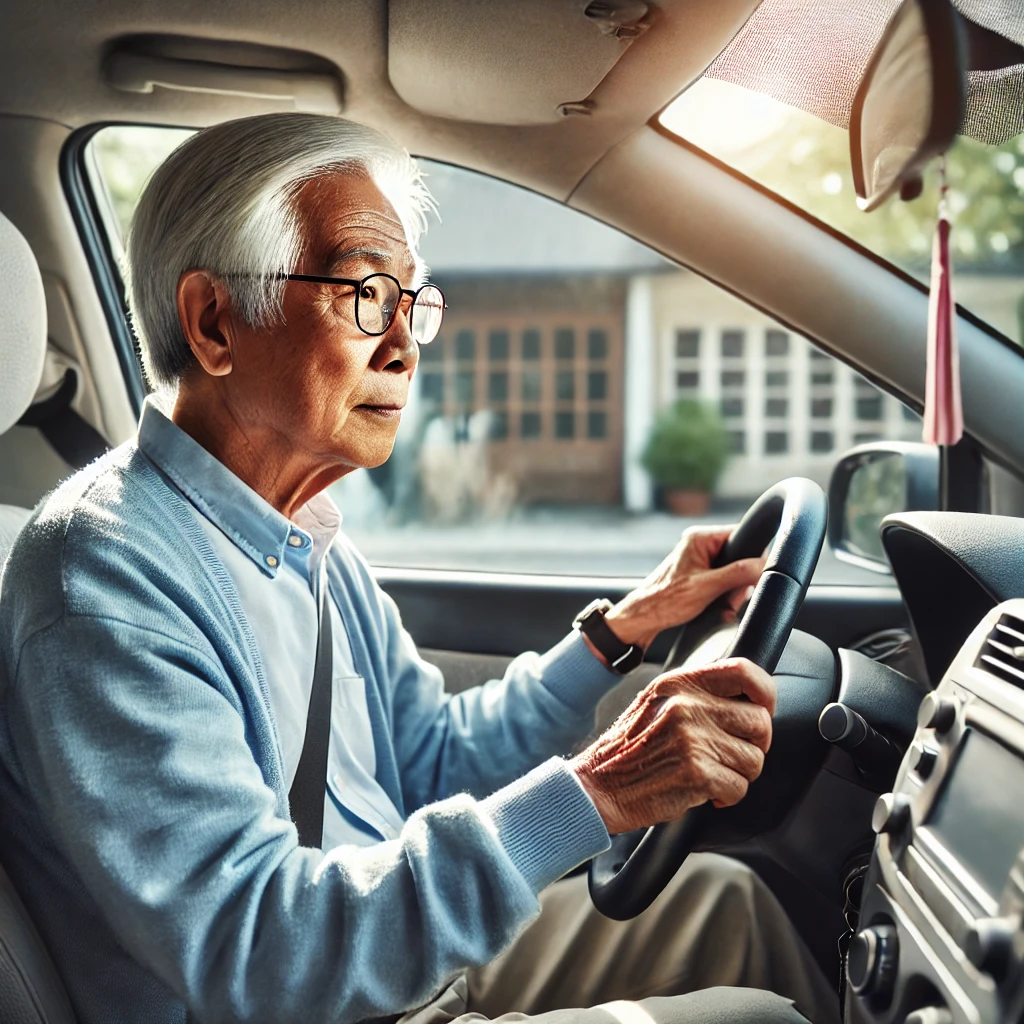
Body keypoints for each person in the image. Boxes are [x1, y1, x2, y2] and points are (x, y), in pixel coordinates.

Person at [0, 113, 838, 1024]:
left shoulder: (305, 535)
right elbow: (258, 949)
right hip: (320, 999)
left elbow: (433, 761)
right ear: (214, 323)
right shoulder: (103, 579)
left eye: (413, 301)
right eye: (366, 293)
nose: (403, 343)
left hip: (401, 971)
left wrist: (617, 631)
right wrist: (602, 790)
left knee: (727, 904)